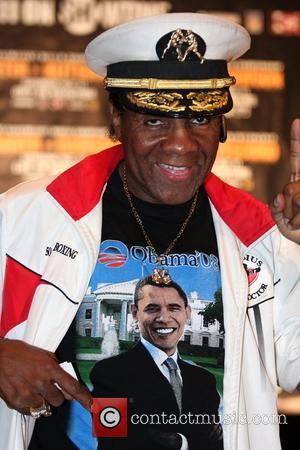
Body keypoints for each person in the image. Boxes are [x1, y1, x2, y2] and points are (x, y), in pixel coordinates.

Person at [0, 11, 299, 450]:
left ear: (223, 125)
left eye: (200, 119)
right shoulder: (26, 217)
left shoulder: (261, 237)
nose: (181, 143)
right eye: (154, 120)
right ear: (116, 120)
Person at [91, 275, 223, 450]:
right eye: (152, 309)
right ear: (135, 312)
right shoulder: (108, 372)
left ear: (187, 313)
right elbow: (111, 440)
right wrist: (184, 442)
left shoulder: (204, 380)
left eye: (174, 308)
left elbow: (215, 442)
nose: (164, 318)